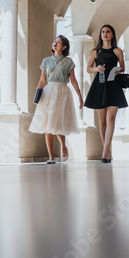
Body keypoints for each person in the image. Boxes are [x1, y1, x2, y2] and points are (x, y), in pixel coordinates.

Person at [28, 35, 84, 164]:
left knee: (57, 123)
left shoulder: (69, 61)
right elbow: (42, 80)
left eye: (58, 42)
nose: (55, 43)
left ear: (64, 47)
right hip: (48, 92)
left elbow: (73, 80)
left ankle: (63, 146)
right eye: (54, 41)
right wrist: (37, 95)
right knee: (48, 124)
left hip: (62, 93)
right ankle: (51, 157)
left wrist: (80, 96)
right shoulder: (46, 61)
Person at [84, 25, 128, 163]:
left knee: (111, 120)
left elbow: (123, 67)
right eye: (103, 31)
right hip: (100, 86)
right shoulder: (95, 52)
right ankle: (107, 150)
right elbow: (88, 69)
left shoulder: (118, 51)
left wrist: (117, 70)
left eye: (108, 31)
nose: (105, 34)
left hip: (113, 85)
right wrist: (96, 68)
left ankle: (104, 152)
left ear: (112, 35)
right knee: (102, 122)